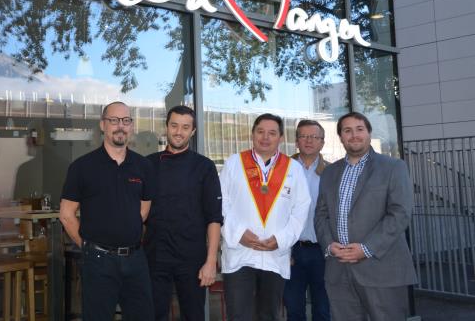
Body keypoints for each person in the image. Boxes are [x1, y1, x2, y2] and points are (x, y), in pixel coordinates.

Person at [314, 112, 417, 320]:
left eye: (359, 129)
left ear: (369, 133)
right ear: (341, 137)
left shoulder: (393, 167)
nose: (354, 135)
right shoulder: (329, 172)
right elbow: (321, 215)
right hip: (339, 270)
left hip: (382, 269)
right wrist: (328, 245)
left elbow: (400, 213)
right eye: (347, 130)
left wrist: (367, 248)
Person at [59, 101, 155, 321]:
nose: (120, 126)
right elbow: (66, 214)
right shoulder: (82, 167)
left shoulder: (143, 166)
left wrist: (124, 226)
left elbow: (144, 209)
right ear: (103, 125)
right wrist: (87, 247)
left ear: (131, 126)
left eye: (126, 121)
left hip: (136, 260)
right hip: (98, 261)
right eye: (114, 120)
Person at [220, 113, 311, 321]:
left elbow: (301, 210)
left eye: (272, 133)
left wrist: (280, 240)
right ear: (252, 134)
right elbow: (221, 203)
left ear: (281, 138)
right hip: (240, 254)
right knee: (239, 315)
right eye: (260, 132)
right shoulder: (234, 163)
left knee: (270, 316)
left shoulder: (293, 169)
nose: (265, 137)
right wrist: (239, 233)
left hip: (274, 256)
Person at [144, 105, 223, 321]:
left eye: (185, 127)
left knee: (194, 315)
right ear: (167, 127)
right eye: (174, 125)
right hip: (155, 256)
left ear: (193, 132)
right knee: (153, 315)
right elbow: (138, 213)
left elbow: (214, 218)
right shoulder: (148, 164)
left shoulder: (204, 167)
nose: (179, 132)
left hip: (192, 259)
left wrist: (210, 261)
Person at [284, 120, 331, 321]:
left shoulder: (332, 172)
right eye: (304, 136)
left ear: (322, 142)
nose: (309, 140)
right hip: (291, 251)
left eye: (314, 137)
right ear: (296, 141)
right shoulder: (283, 170)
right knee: (294, 308)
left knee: (323, 308)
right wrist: (283, 249)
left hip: (323, 250)